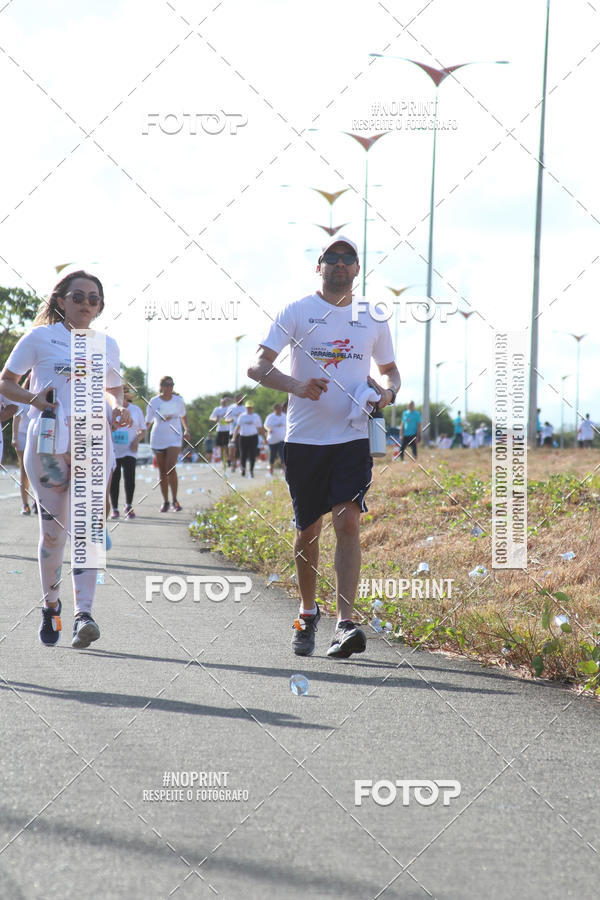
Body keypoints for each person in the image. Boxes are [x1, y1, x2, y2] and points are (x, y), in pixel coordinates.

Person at [248, 235, 400, 659]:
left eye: (347, 259)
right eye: (330, 258)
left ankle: (345, 623)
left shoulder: (372, 316)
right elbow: (257, 366)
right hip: (305, 440)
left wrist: (385, 395)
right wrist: (296, 385)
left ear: (357, 269)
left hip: (352, 437)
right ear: (319, 267)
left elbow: (391, 373)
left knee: (348, 521)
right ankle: (307, 611)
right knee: (308, 530)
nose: (338, 264)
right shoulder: (297, 311)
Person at [0, 270, 131, 649]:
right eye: (78, 297)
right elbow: (6, 382)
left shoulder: (106, 343)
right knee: (55, 532)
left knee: (89, 528)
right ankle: (52, 606)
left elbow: (113, 389)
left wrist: (118, 407)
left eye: (94, 298)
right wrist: (34, 399)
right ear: (60, 300)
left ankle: (83, 615)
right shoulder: (40, 337)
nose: (87, 304)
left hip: (93, 439)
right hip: (49, 440)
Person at [145, 376, 190, 512]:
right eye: (166, 384)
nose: (169, 387)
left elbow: (183, 416)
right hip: (158, 437)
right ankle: (165, 501)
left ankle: (175, 500)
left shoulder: (178, 401)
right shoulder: (154, 401)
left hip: (174, 437)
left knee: (171, 467)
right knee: (162, 471)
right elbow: (148, 421)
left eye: (171, 385)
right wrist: (138, 435)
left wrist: (187, 429)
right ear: (161, 386)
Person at [109, 388, 146, 518]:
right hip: (114, 449)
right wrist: (113, 427)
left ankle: (129, 505)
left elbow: (143, 430)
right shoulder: (110, 408)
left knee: (129, 476)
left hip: (130, 449)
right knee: (115, 478)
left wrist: (137, 439)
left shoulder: (135, 410)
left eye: (123, 395)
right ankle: (114, 508)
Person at [232, 401, 264, 477]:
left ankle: (251, 470)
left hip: (253, 437)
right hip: (243, 437)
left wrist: (264, 438)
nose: (249, 409)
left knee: (252, 454)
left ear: (252, 408)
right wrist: (234, 437)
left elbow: (260, 428)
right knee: (243, 454)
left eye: (250, 407)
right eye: (248, 407)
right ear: (246, 408)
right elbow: (237, 427)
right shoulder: (242, 416)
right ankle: (243, 469)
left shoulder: (256, 416)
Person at [209, 395, 232, 472]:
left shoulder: (229, 408)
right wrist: (215, 419)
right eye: (222, 401)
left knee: (228, 446)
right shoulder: (217, 409)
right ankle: (224, 461)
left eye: (225, 401)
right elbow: (211, 417)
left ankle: (229, 459)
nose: (223, 403)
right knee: (221, 447)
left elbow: (236, 406)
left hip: (228, 429)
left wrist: (230, 399)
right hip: (220, 430)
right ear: (220, 402)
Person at [264, 401, 287, 475]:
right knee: (272, 455)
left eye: (280, 408)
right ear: (275, 409)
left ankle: (284, 471)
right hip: (272, 440)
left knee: (282, 455)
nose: (279, 409)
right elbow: (265, 425)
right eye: (277, 408)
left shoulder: (285, 416)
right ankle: (271, 470)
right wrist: (268, 429)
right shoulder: (270, 417)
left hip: (282, 439)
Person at [225, 394, 246, 470]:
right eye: (238, 399)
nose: (239, 400)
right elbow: (226, 419)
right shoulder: (231, 408)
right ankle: (233, 463)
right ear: (235, 400)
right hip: (233, 432)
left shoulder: (245, 408)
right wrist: (230, 420)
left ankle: (241, 465)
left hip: (243, 433)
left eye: (241, 399)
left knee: (241, 450)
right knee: (231, 449)